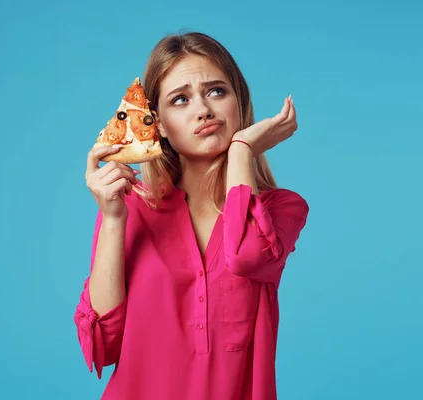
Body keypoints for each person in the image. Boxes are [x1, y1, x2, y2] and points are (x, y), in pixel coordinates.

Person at [74, 31, 309, 400]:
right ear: (159, 124)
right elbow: (102, 346)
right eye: (180, 99)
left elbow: (246, 255)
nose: (203, 110)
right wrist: (113, 219)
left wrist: (241, 150)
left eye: (217, 91)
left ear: (239, 102)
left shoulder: (281, 209)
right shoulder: (130, 207)